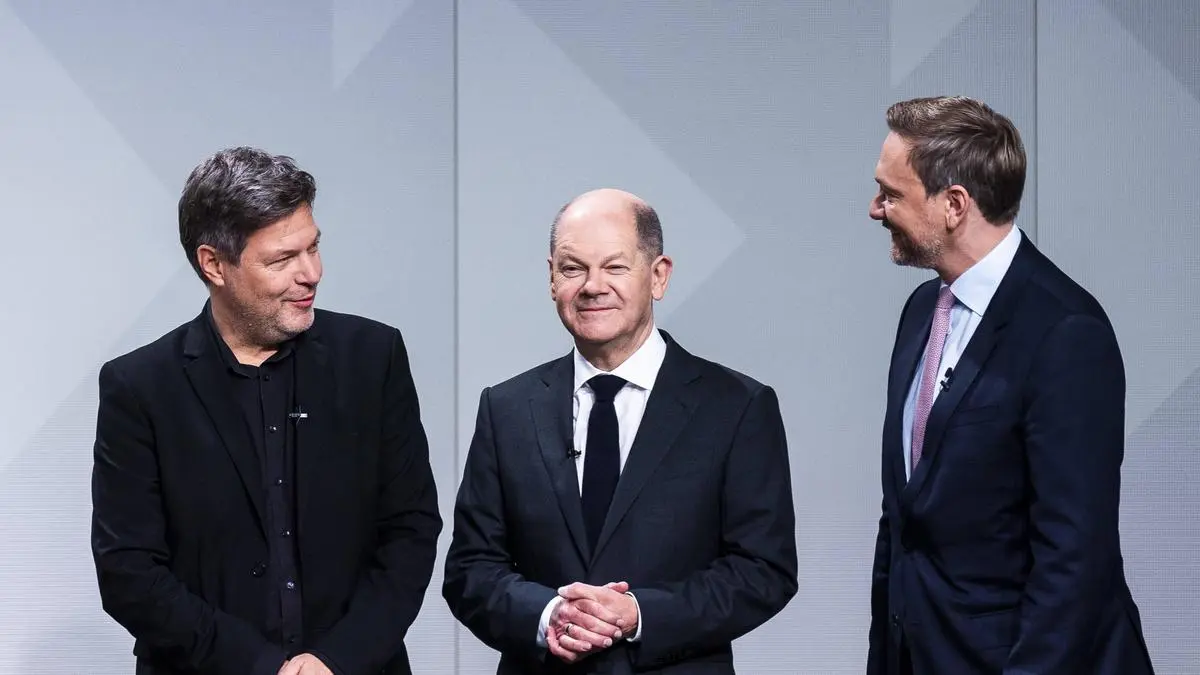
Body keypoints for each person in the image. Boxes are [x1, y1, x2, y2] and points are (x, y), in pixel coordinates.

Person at [90, 147, 441, 675]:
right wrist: (259, 665)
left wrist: (336, 659)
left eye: (313, 247)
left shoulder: (373, 358)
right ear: (214, 264)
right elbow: (129, 572)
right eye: (282, 260)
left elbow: (410, 530)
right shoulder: (140, 387)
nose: (311, 274)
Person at [442, 188, 798, 674]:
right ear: (551, 278)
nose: (593, 286)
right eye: (573, 268)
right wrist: (549, 616)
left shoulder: (737, 407)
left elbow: (763, 570)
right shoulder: (506, 408)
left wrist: (637, 614)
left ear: (658, 276)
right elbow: (470, 570)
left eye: (615, 267)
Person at [866, 96, 1155, 674]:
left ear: (954, 205)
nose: (876, 209)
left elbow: (1075, 558)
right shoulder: (922, 311)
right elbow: (903, 519)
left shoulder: (1065, 332)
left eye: (891, 193)